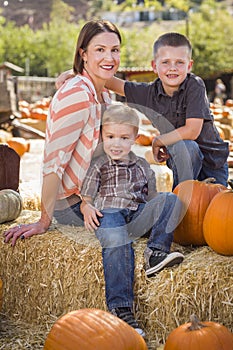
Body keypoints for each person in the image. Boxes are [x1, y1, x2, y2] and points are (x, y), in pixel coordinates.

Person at [56, 32, 229, 190]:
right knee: (187, 150)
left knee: (216, 209)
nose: (173, 68)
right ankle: (183, 201)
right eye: (165, 62)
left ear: (189, 66)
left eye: (180, 62)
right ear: (154, 66)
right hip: (185, 159)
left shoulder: (194, 85)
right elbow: (111, 82)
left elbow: (192, 131)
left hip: (213, 163)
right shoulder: (148, 94)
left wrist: (158, 141)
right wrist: (77, 73)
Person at [3, 19, 121, 246]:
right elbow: (53, 162)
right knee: (141, 217)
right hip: (70, 204)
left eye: (114, 50)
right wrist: (43, 222)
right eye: (100, 50)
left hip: (93, 193)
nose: (110, 57)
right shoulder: (77, 95)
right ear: (83, 54)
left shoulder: (104, 95)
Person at [80, 103, 183, 336]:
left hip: (136, 214)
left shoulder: (143, 165)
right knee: (116, 241)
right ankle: (121, 308)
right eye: (111, 136)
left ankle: (155, 253)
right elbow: (85, 198)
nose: (117, 143)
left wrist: (157, 212)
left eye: (124, 137)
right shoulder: (98, 165)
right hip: (109, 214)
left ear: (135, 137)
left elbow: (152, 198)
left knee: (170, 199)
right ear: (102, 136)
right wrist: (87, 208)